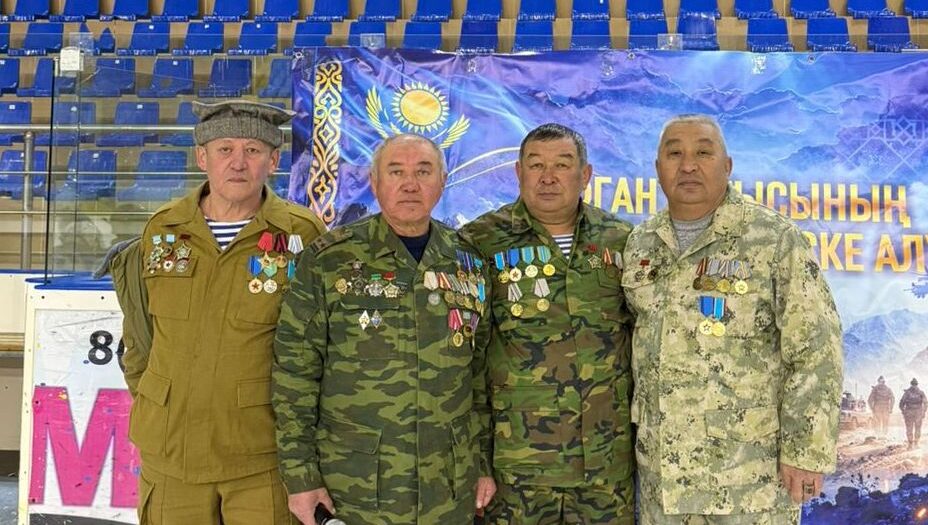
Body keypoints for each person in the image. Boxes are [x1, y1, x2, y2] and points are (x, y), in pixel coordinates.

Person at [111, 100, 326, 524]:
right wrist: (162, 399)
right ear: (202, 157)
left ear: (274, 161)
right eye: (225, 149)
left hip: (260, 455)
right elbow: (140, 336)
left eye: (253, 150)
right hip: (171, 455)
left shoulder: (301, 234)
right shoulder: (163, 228)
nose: (238, 162)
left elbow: (319, 347)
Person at [622, 114, 843, 524]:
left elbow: (816, 348)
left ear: (727, 165)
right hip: (663, 483)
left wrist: (806, 452)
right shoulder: (641, 243)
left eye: (703, 153)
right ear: (658, 168)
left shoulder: (773, 239)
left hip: (748, 480)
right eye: (675, 154)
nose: (688, 165)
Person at [273, 133, 496, 525]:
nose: (410, 184)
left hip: (448, 485)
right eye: (396, 172)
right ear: (374, 183)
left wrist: (481, 464)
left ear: (442, 182)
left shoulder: (469, 263)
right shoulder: (330, 260)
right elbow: (295, 373)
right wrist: (300, 475)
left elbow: (477, 377)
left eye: (423, 172)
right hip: (356, 485)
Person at [460, 123, 635, 524]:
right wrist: (477, 460)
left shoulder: (621, 240)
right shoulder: (479, 242)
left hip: (606, 468)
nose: (548, 177)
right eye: (536, 165)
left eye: (562, 164)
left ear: (585, 174)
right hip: (518, 468)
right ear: (518, 173)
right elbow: (466, 361)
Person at [899, 378, 927, 449]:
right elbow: (925, 403)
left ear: (911, 384)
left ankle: (910, 444)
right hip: (918, 412)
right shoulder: (921, 392)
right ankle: (916, 444)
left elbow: (901, 403)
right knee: (917, 428)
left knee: (909, 428)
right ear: (917, 384)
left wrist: (903, 411)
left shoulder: (907, 393)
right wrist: (923, 412)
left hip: (909, 412)